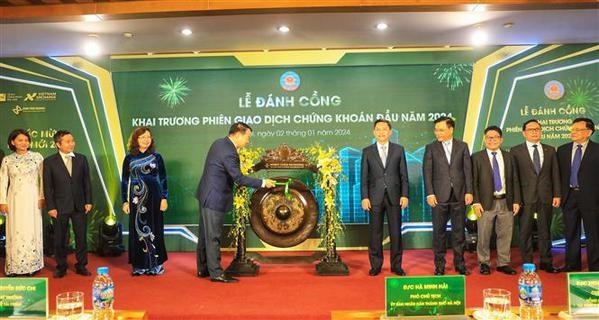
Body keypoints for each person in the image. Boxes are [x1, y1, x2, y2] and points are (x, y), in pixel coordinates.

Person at [196, 122, 276, 283]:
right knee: (213, 237)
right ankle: (216, 273)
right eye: (247, 137)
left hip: (206, 194)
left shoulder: (219, 143)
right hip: (214, 197)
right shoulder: (228, 151)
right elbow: (238, 178)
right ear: (238, 134)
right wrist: (262, 183)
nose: (247, 142)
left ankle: (203, 269)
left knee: (205, 236)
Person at [423, 116, 473, 276]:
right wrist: (430, 193)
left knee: (459, 232)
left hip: (459, 195)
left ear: (451, 129)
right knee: (439, 233)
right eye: (436, 129)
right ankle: (439, 266)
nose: (437, 132)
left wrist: (469, 191)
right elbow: (427, 172)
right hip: (438, 196)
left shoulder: (463, 146)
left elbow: (468, 171)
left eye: (441, 129)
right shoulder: (430, 148)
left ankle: (460, 264)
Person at [510, 119, 561, 273]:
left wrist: (557, 194)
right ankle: (528, 263)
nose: (534, 132)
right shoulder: (515, 151)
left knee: (545, 230)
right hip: (525, 198)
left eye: (537, 129)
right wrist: (517, 199)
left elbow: (555, 174)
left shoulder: (550, 150)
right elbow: (515, 178)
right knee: (525, 231)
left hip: (546, 196)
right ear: (524, 132)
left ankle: (546, 262)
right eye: (531, 129)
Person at [360, 119, 409, 276]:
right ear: (374, 132)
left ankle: (396, 266)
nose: (381, 132)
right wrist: (364, 197)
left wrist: (405, 195)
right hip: (374, 197)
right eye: (378, 129)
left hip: (395, 196)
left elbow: (404, 176)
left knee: (396, 233)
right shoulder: (367, 151)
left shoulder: (399, 150)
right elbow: (364, 177)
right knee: (375, 233)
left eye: (384, 129)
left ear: (390, 132)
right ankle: (375, 265)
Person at [472, 126, 521, 275]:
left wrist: (517, 201)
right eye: (489, 137)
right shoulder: (476, 157)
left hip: (506, 201)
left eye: (495, 137)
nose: (492, 140)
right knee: (484, 235)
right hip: (485, 203)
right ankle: (484, 262)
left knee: (505, 234)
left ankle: (503, 263)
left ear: (501, 139)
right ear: (485, 139)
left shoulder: (509, 156)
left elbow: (514, 180)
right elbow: (473, 181)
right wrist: (476, 202)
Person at [43, 130, 92, 278]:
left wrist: (88, 201)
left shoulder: (81, 159)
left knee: (81, 237)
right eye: (68, 141)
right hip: (59, 207)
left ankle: (81, 265)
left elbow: (86, 182)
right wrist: (51, 207)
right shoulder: (49, 161)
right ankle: (61, 266)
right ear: (58, 144)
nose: (72, 143)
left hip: (79, 205)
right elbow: (48, 186)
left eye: (72, 140)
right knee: (60, 238)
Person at [121, 127, 169, 276]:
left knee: (156, 229)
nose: (146, 140)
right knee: (137, 230)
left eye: (149, 137)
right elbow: (124, 180)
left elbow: (163, 179)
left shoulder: (157, 157)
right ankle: (140, 265)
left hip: (155, 198)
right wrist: (125, 201)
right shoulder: (129, 158)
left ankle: (155, 265)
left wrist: (164, 198)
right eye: (143, 137)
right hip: (136, 199)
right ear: (136, 140)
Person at [0, 129, 45, 276]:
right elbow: (3, 181)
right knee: (15, 229)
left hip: (32, 199)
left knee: (32, 228)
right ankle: (14, 266)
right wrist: (3, 201)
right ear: (13, 142)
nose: (24, 143)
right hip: (14, 199)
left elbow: (43, 179)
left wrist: (42, 197)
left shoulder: (37, 157)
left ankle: (33, 265)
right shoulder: (7, 160)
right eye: (20, 140)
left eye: (26, 140)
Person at [557, 118, 599, 272]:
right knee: (571, 232)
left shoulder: (597, 150)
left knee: (593, 234)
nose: (573, 132)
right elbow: (559, 175)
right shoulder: (562, 150)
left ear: (588, 132)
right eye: (572, 129)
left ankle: (595, 266)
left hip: (591, 198)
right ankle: (572, 265)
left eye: (578, 129)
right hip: (569, 196)